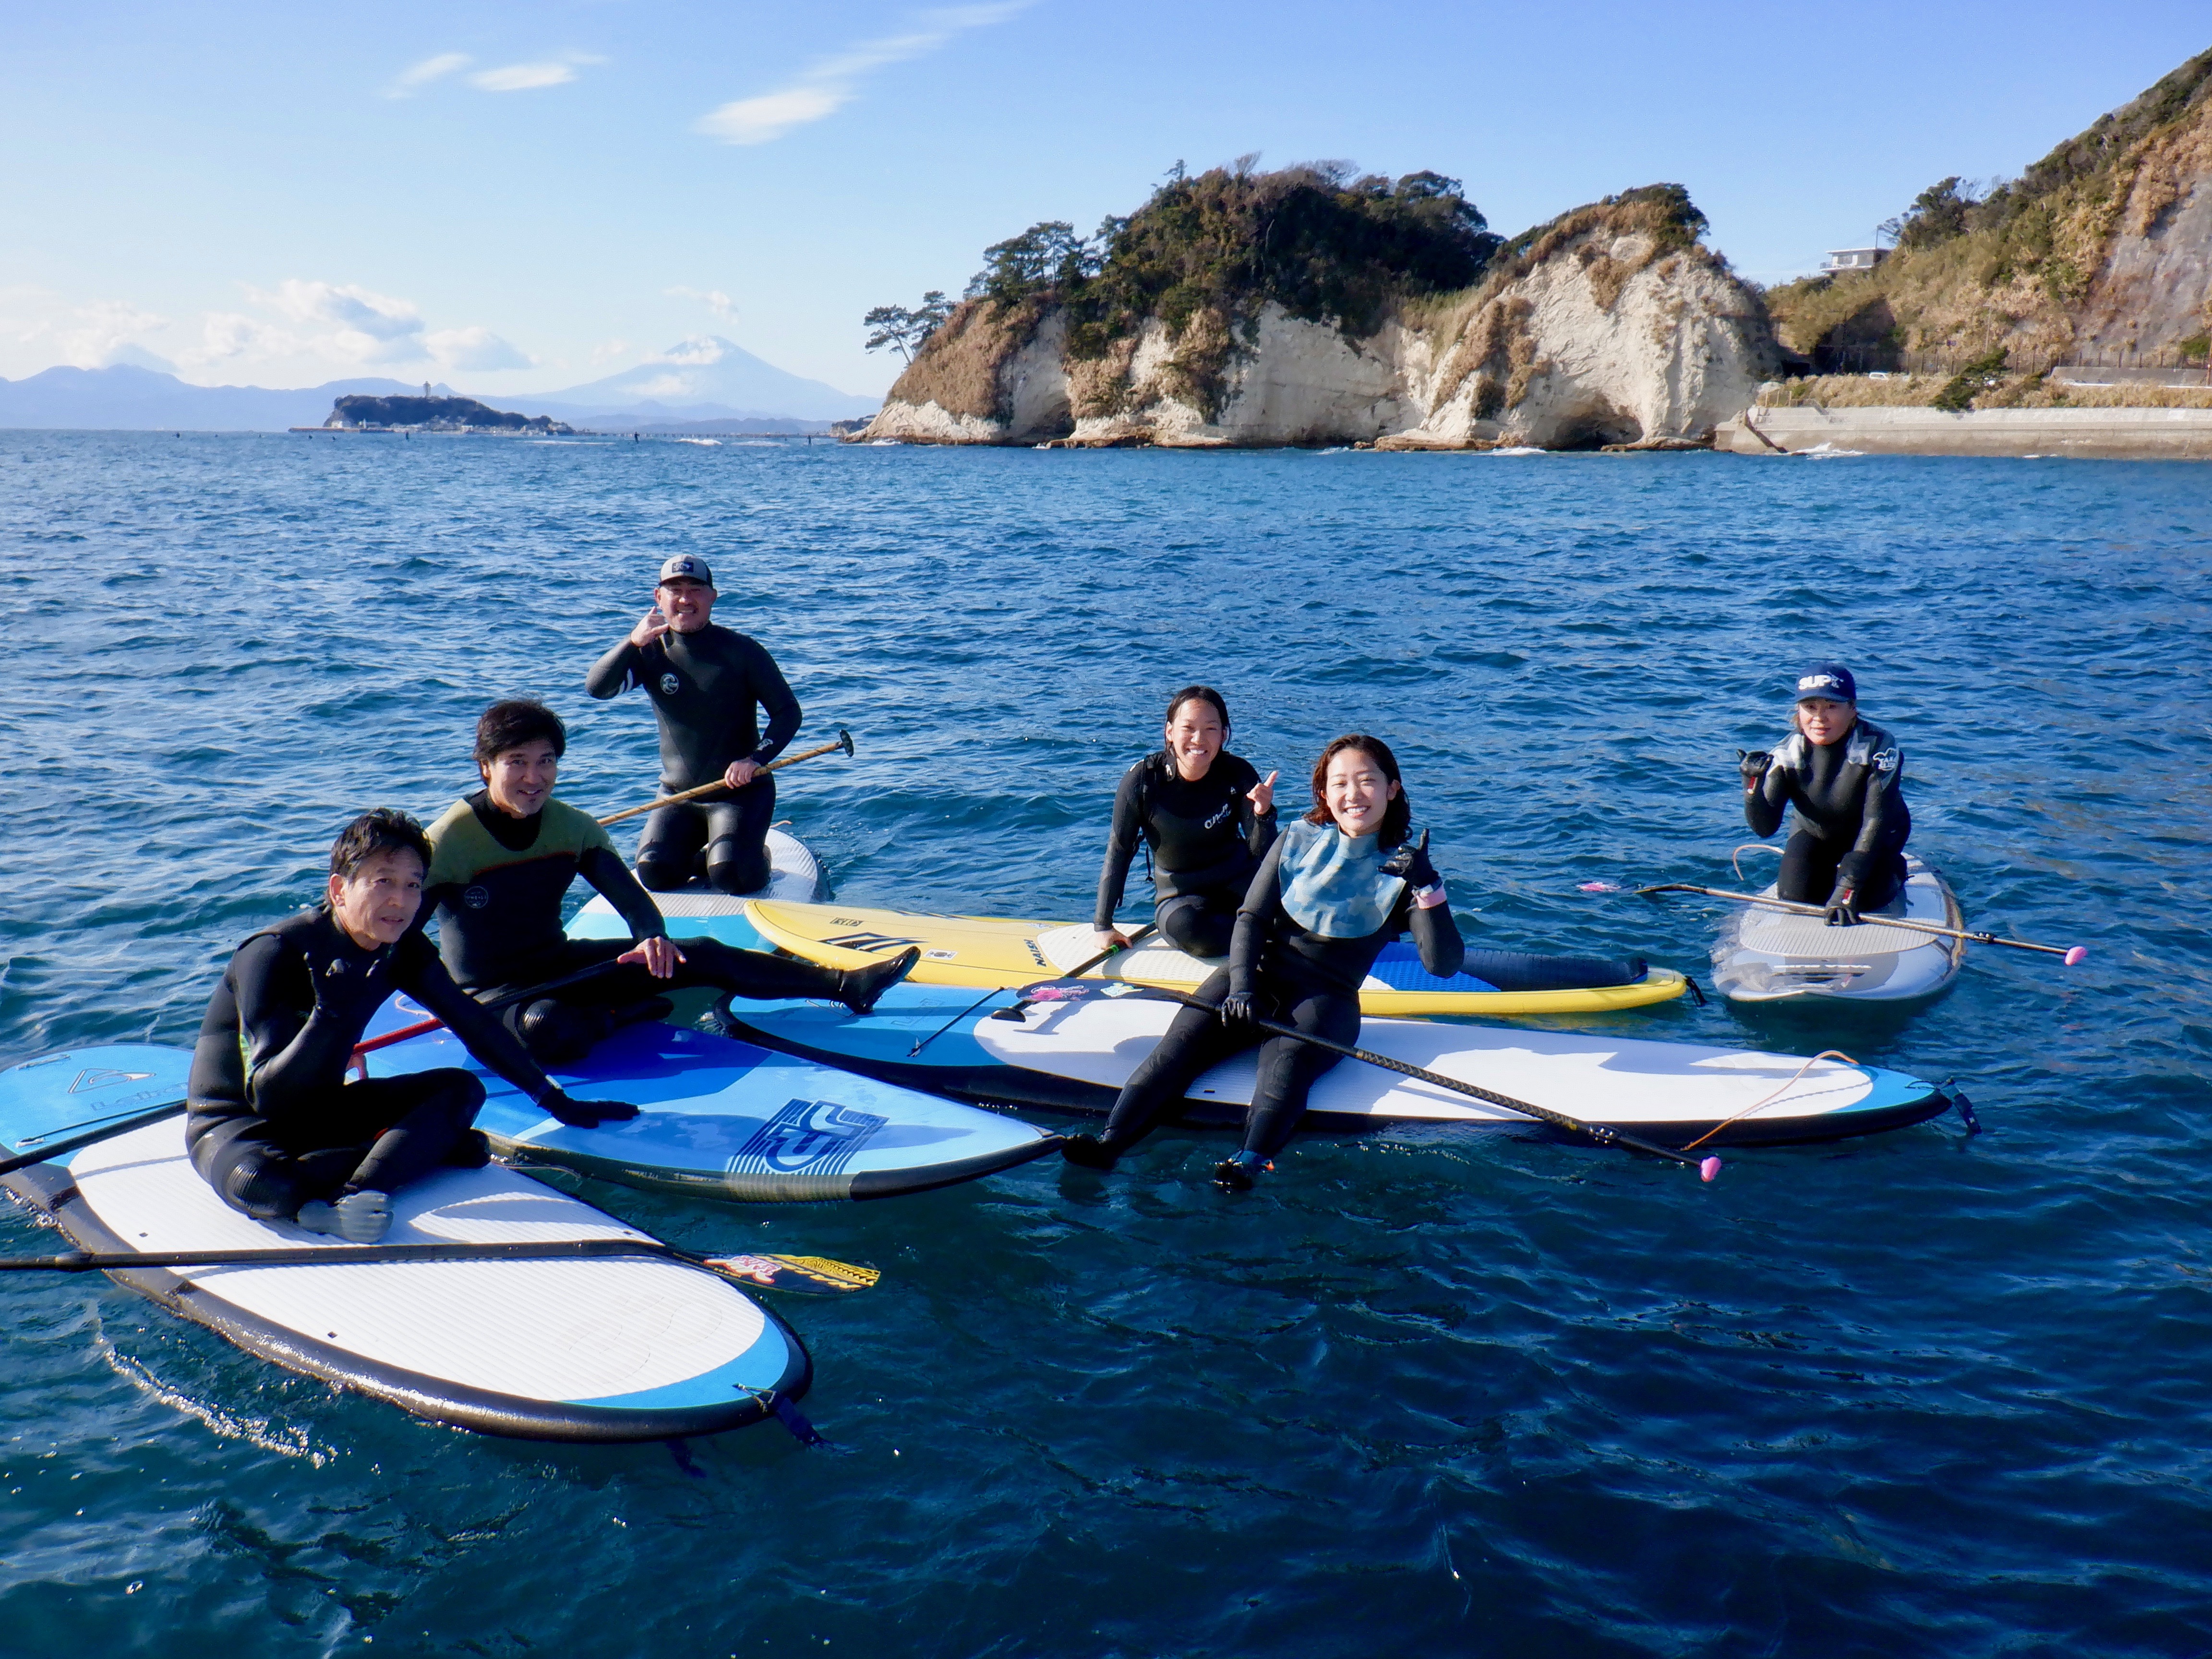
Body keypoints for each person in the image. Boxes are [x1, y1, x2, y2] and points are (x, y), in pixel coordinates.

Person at [184, 810, 632, 1244]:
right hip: (238, 1127)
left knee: (461, 1091)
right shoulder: (274, 954)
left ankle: (356, 1192)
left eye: (414, 885)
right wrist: (329, 1017)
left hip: (325, 1110)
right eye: (384, 882)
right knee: (262, 1183)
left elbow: (471, 1020)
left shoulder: (400, 947)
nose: (401, 901)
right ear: (339, 889)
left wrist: (555, 1100)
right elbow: (267, 1098)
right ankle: (322, 1202)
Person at [1064, 734, 1463, 1191]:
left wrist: (1428, 886)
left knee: (1285, 1065)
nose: (1353, 795)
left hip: (1326, 996)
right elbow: (1250, 918)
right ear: (1325, 795)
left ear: (1392, 789)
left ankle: (1250, 1161)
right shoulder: (1296, 839)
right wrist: (1240, 986)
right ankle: (1111, 1142)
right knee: (1177, 1048)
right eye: (1340, 784)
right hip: (1255, 977)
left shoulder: (1404, 868)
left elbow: (1442, 965)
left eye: (1367, 781)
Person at [421, 699, 915, 1065]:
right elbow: (392, 938)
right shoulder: (447, 841)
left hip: (561, 966)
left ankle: (847, 985)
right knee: (550, 1027)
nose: (534, 778)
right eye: (517, 763)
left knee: (698, 949)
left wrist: (652, 938)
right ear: (486, 768)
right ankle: (618, 1016)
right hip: (489, 995)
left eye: (546, 761)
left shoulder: (572, 828)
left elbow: (634, 903)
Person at [584, 553, 801, 895]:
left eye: (696, 590)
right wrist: (632, 642)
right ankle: (711, 858)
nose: (686, 599)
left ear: (712, 596)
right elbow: (598, 689)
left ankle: (752, 855)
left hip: (740, 795)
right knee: (654, 872)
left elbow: (788, 712)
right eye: (676, 590)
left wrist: (755, 760)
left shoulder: (742, 651)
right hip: (677, 795)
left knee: (732, 876)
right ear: (659, 598)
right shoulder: (649, 653)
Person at [1093, 685, 1278, 959]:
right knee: (1195, 933)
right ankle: (1263, 937)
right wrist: (1103, 926)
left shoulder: (1237, 773)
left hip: (1241, 883)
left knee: (1291, 912)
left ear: (1224, 734)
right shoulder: (1144, 781)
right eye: (1188, 728)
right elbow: (1120, 850)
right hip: (1180, 898)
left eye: (1211, 729)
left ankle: (1264, 933)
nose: (1198, 739)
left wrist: (1263, 815)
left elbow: (1264, 856)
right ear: (1170, 732)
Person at [1740, 662, 1911, 926]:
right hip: (1816, 834)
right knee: (1795, 898)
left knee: (1867, 900)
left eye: (1832, 707)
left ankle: (1896, 870)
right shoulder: (1787, 753)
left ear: (1852, 709)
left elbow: (1877, 820)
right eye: (1810, 708)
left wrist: (1848, 889)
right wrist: (1752, 784)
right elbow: (1765, 828)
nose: (1819, 718)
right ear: (1798, 710)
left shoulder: (1879, 746)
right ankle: (1835, 873)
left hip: (1877, 836)